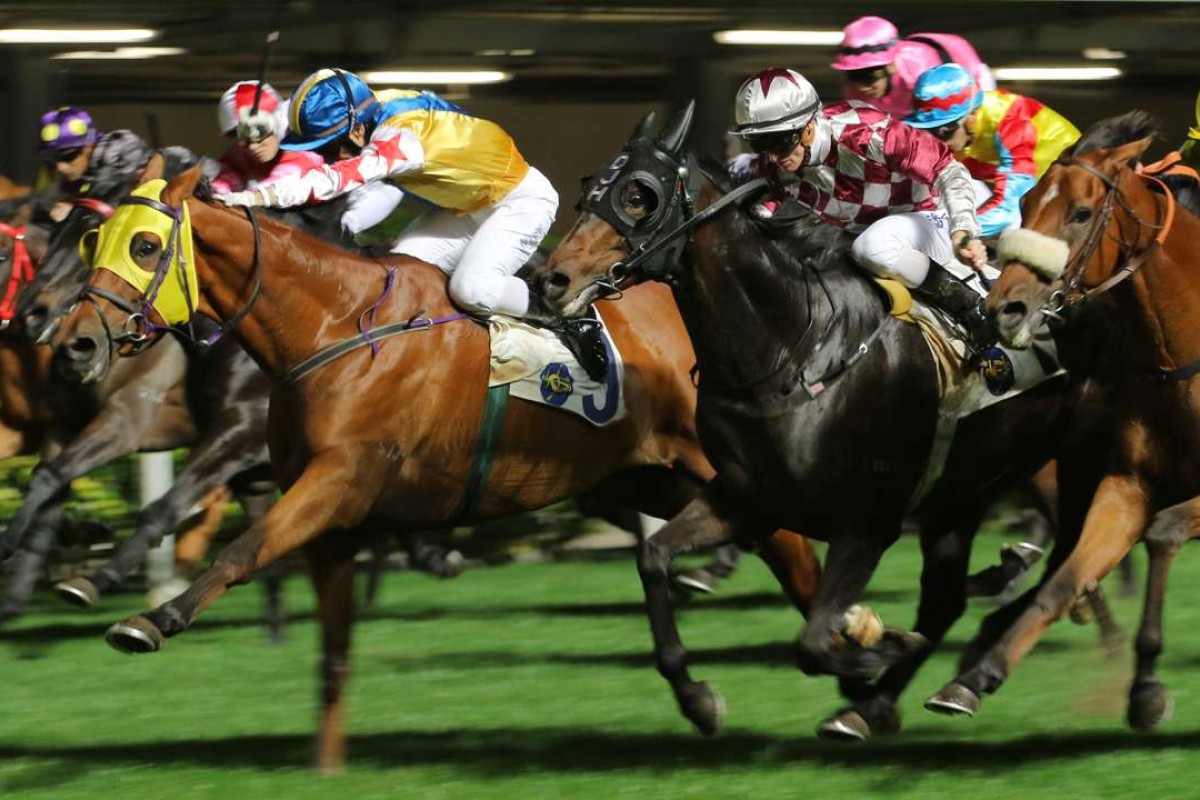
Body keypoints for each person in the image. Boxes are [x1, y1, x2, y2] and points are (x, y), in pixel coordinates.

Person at [217, 68, 559, 322]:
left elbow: (336, 179)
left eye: (329, 147)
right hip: (466, 209)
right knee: (399, 280)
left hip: (520, 203)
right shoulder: (367, 106)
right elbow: (295, 115)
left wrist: (257, 197)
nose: (327, 156)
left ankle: (561, 315)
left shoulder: (402, 140)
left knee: (471, 289)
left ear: (356, 131)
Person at [731, 67, 993, 350]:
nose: (772, 157)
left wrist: (962, 230)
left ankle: (972, 306)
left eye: (779, 143)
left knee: (873, 246)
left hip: (930, 220)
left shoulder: (870, 133)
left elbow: (949, 171)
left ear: (808, 128)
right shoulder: (774, 165)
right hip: (862, 241)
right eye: (760, 144)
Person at [905, 64, 1080, 238]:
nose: (938, 142)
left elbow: (1007, 211)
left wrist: (953, 233)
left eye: (945, 131)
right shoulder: (957, 133)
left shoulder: (1012, 120)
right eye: (928, 131)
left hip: (1068, 187)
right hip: (1021, 185)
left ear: (971, 116)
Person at [212, 80, 404, 238]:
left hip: (371, 193)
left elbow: (273, 196)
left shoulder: (304, 140)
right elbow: (221, 184)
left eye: (260, 131)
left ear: (277, 120)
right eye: (240, 136)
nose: (252, 145)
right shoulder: (241, 152)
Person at [832, 15, 994, 119]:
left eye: (870, 76)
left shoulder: (920, 74)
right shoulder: (854, 91)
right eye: (854, 75)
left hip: (969, 78)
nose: (862, 87)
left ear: (891, 66)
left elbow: (940, 124)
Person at [37, 107, 152, 218]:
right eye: (55, 158)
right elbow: (43, 207)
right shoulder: (75, 174)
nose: (60, 166)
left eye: (68, 156)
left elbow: (109, 195)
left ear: (88, 146)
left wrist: (74, 211)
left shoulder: (119, 146)